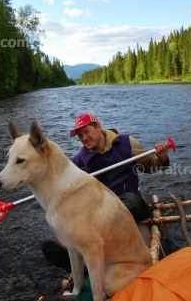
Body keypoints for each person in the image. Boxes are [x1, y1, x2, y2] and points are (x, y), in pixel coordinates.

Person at [41, 113, 170, 270]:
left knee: (129, 201)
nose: (84, 138)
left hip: (133, 205)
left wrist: (162, 157)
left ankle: (90, 257)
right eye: (80, 136)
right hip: (102, 211)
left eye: (86, 132)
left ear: (98, 127)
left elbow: (152, 166)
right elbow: (59, 176)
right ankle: (81, 257)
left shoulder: (127, 143)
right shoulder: (80, 160)